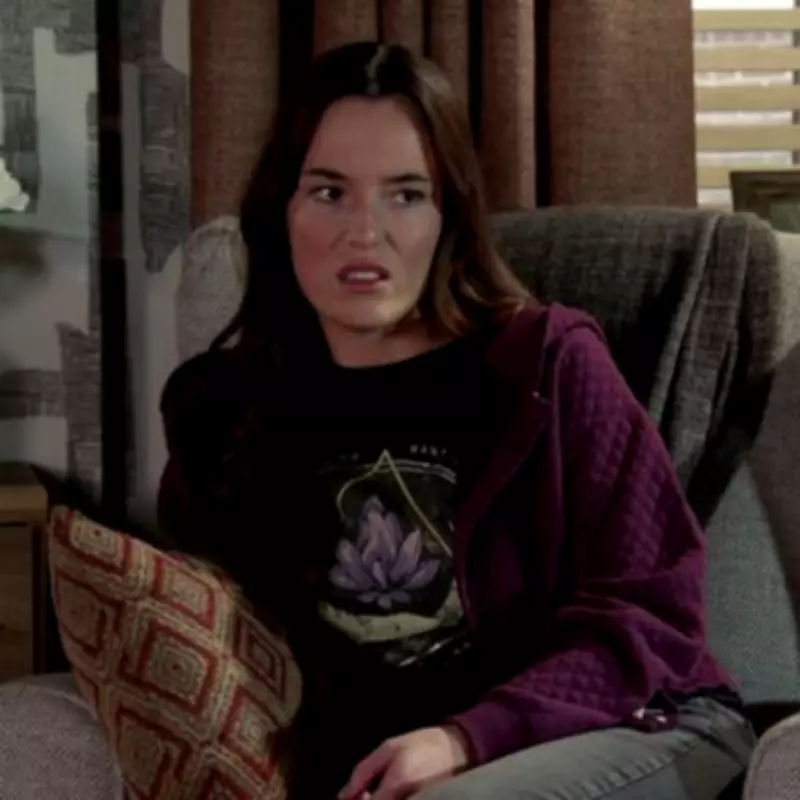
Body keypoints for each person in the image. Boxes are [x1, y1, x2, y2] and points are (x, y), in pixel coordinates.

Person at [158, 41, 754, 800]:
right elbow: (209, 624)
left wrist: (467, 738)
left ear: (449, 216)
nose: (364, 232)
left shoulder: (548, 364)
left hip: (636, 721)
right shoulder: (222, 409)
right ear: (282, 209)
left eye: (406, 194)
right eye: (330, 191)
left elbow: (653, 613)